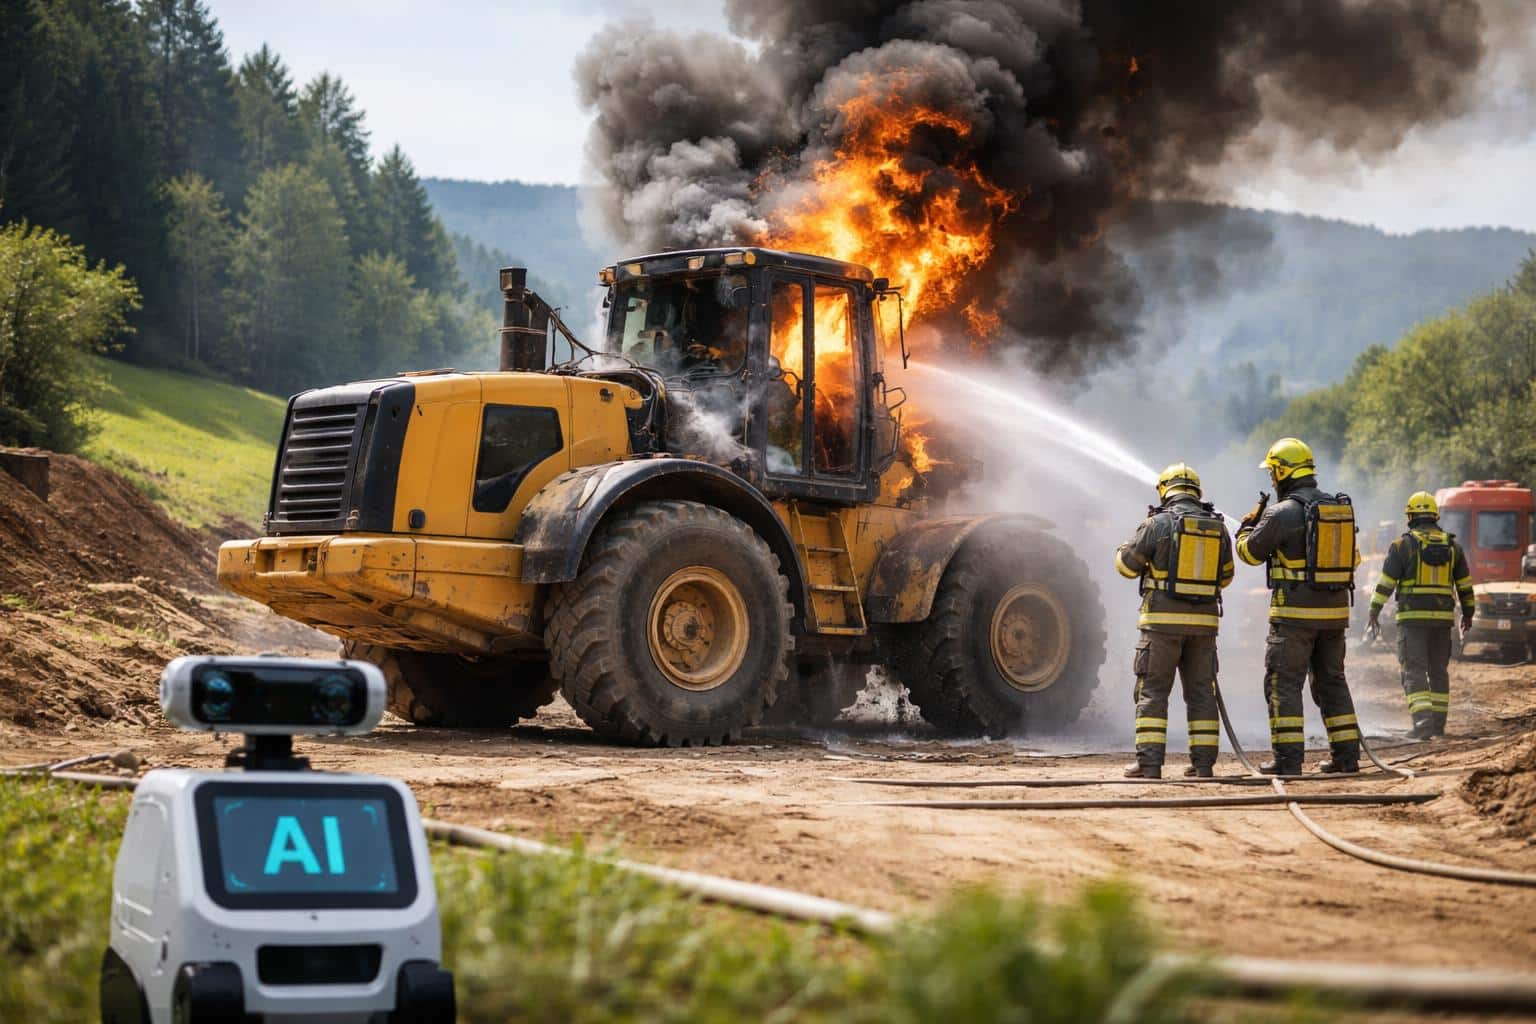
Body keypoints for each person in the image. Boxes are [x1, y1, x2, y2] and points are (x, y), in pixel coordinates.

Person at [1236, 438, 1362, 775]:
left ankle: (1288, 762)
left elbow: (1248, 553)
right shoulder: (1337, 509)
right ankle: (1347, 759)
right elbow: (1356, 558)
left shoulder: (1281, 513)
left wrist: (1248, 525)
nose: (1272, 481)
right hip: (1335, 619)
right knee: (1332, 683)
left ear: (1281, 471)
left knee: (1283, 685)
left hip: (1293, 619)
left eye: (1272, 474)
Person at [1114, 463, 1235, 779]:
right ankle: (1204, 765)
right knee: (1201, 695)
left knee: (1152, 692)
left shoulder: (1156, 524)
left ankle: (1150, 764)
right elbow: (1226, 577)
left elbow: (1127, 567)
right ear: (1196, 492)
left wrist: (1124, 549)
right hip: (1204, 629)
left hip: (1161, 627)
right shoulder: (1218, 527)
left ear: (1165, 489)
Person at [1367, 492, 1474, 739]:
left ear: (1411, 516)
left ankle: (1422, 725)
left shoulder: (1402, 546)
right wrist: (1468, 614)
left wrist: (1374, 610)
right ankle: (1438, 726)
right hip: (1442, 621)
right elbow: (1465, 586)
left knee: (1414, 671)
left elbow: (1386, 583)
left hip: (1412, 621)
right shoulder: (1453, 546)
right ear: (1435, 515)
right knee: (1438, 670)